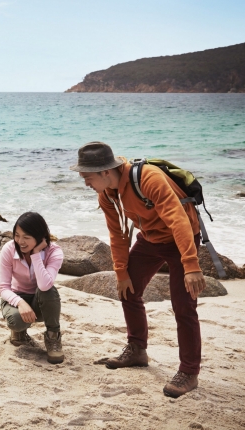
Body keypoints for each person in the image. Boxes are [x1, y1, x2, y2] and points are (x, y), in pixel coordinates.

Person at [71, 142, 205, 398]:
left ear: (104, 172)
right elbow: (118, 233)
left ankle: (189, 372)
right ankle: (137, 350)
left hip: (181, 239)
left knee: (183, 305)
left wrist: (191, 265)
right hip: (150, 239)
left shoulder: (149, 179)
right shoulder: (107, 194)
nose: (85, 183)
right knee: (128, 289)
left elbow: (178, 220)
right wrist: (121, 272)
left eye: (87, 177)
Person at [0, 211, 65, 364]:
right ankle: (19, 332)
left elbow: (44, 285)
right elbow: (3, 288)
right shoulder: (9, 249)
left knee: (48, 289)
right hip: (15, 299)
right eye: (17, 235)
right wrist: (20, 303)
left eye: (26, 237)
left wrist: (36, 254)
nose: (20, 241)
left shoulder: (54, 252)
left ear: (40, 237)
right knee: (16, 320)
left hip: (41, 301)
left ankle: (53, 337)